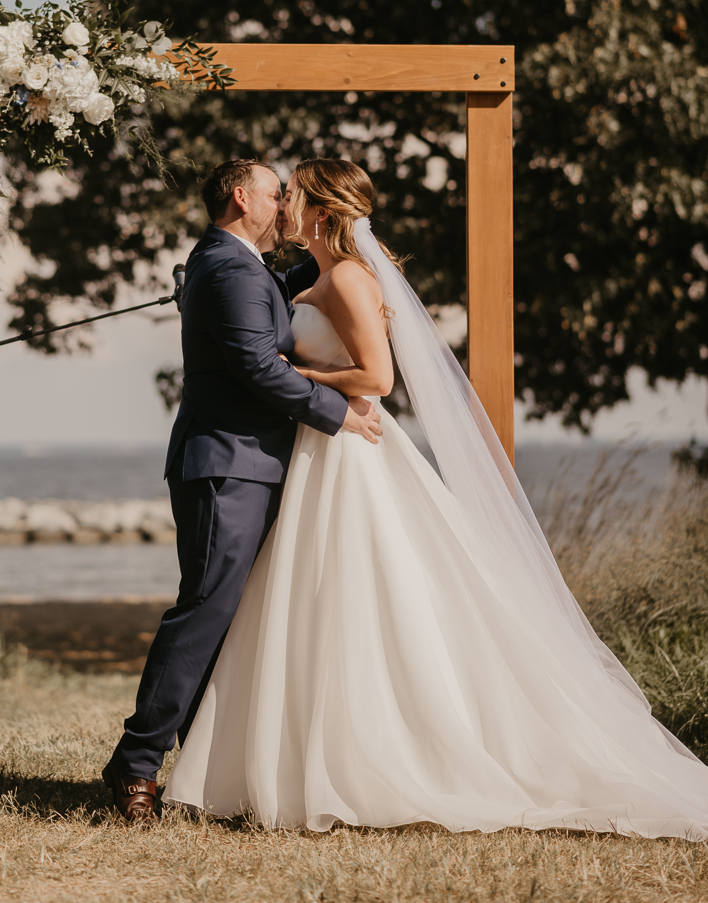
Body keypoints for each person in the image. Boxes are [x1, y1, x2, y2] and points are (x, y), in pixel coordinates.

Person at [162, 158, 708, 839]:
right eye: (280, 195)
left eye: (295, 196)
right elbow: (252, 307)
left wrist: (289, 371)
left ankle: (373, 758)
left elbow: (379, 377)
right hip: (320, 451)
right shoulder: (319, 275)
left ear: (324, 214)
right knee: (311, 603)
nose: (285, 208)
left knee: (358, 600)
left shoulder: (352, 278)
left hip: (347, 448)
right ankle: (283, 757)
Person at [102, 159, 382, 820]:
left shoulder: (236, 266)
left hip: (253, 462)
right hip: (227, 463)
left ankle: (207, 771)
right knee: (205, 613)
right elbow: (258, 364)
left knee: (233, 623)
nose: (282, 202)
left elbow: (284, 298)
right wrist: (339, 414)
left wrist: (339, 246)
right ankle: (135, 767)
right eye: (273, 192)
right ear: (240, 197)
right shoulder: (227, 268)